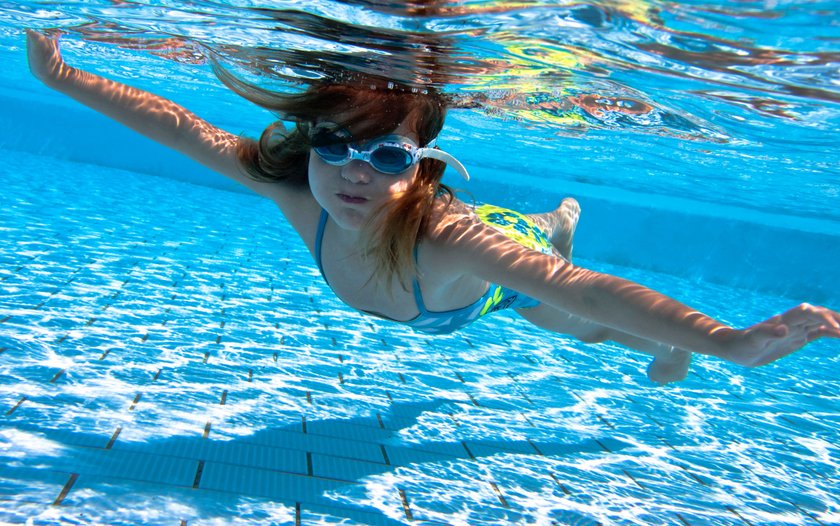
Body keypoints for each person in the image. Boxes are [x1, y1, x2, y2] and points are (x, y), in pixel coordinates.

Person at [26, 31, 839, 386]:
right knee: (557, 285)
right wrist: (66, 80)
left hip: (484, 282)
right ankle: (555, 228)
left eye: (384, 155)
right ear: (309, 145)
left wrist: (724, 339)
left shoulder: (446, 233)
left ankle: (567, 239)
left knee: (570, 314)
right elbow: (180, 127)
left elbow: (590, 291)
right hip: (440, 294)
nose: (353, 174)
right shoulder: (290, 184)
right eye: (335, 146)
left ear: (419, 168)